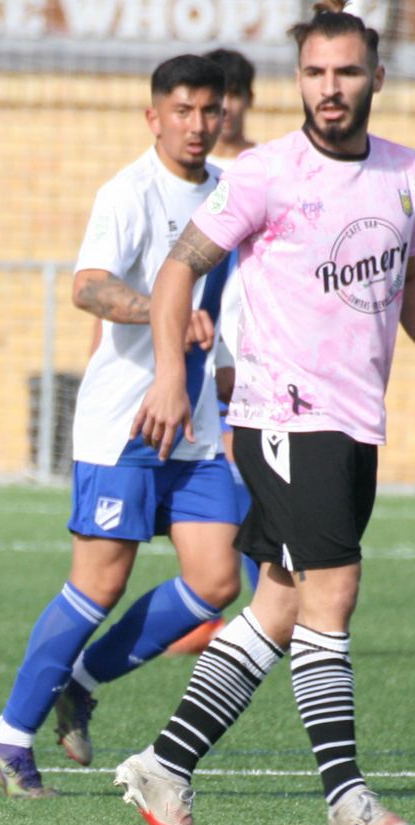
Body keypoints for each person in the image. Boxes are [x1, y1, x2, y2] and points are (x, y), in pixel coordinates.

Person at [117, 0, 415, 825]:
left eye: (346, 72)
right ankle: (347, 797)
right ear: (298, 80)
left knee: (277, 605)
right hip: (282, 415)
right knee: (332, 594)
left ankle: (166, 764)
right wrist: (169, 373)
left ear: (376, 77)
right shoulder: (267, 173)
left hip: (354, 422)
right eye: (314, 73)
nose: (330, 89)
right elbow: (175, 271)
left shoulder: (405, 170)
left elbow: (409, 259)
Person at [0, 55, 241, 798]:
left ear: (223, 116)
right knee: (99, 584)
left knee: (218, 576)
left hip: (195, 428)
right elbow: (89, 285)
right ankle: (10, 737)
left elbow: (234, 310)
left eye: (208, 111)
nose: (196, 124)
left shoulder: (231, 195)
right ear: (153, 117)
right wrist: (162, 311)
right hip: (124, 421)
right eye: (181, 110)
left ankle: (80, 682)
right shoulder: (128, 193)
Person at [167, 46, 263, 655]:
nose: (211, 119)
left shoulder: (258, 169)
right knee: (211, 490)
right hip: (194, 357)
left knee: (253, 481)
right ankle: (226, 613)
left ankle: (267, 616)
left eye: (224, 101)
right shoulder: (181, 175)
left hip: (241, 353)